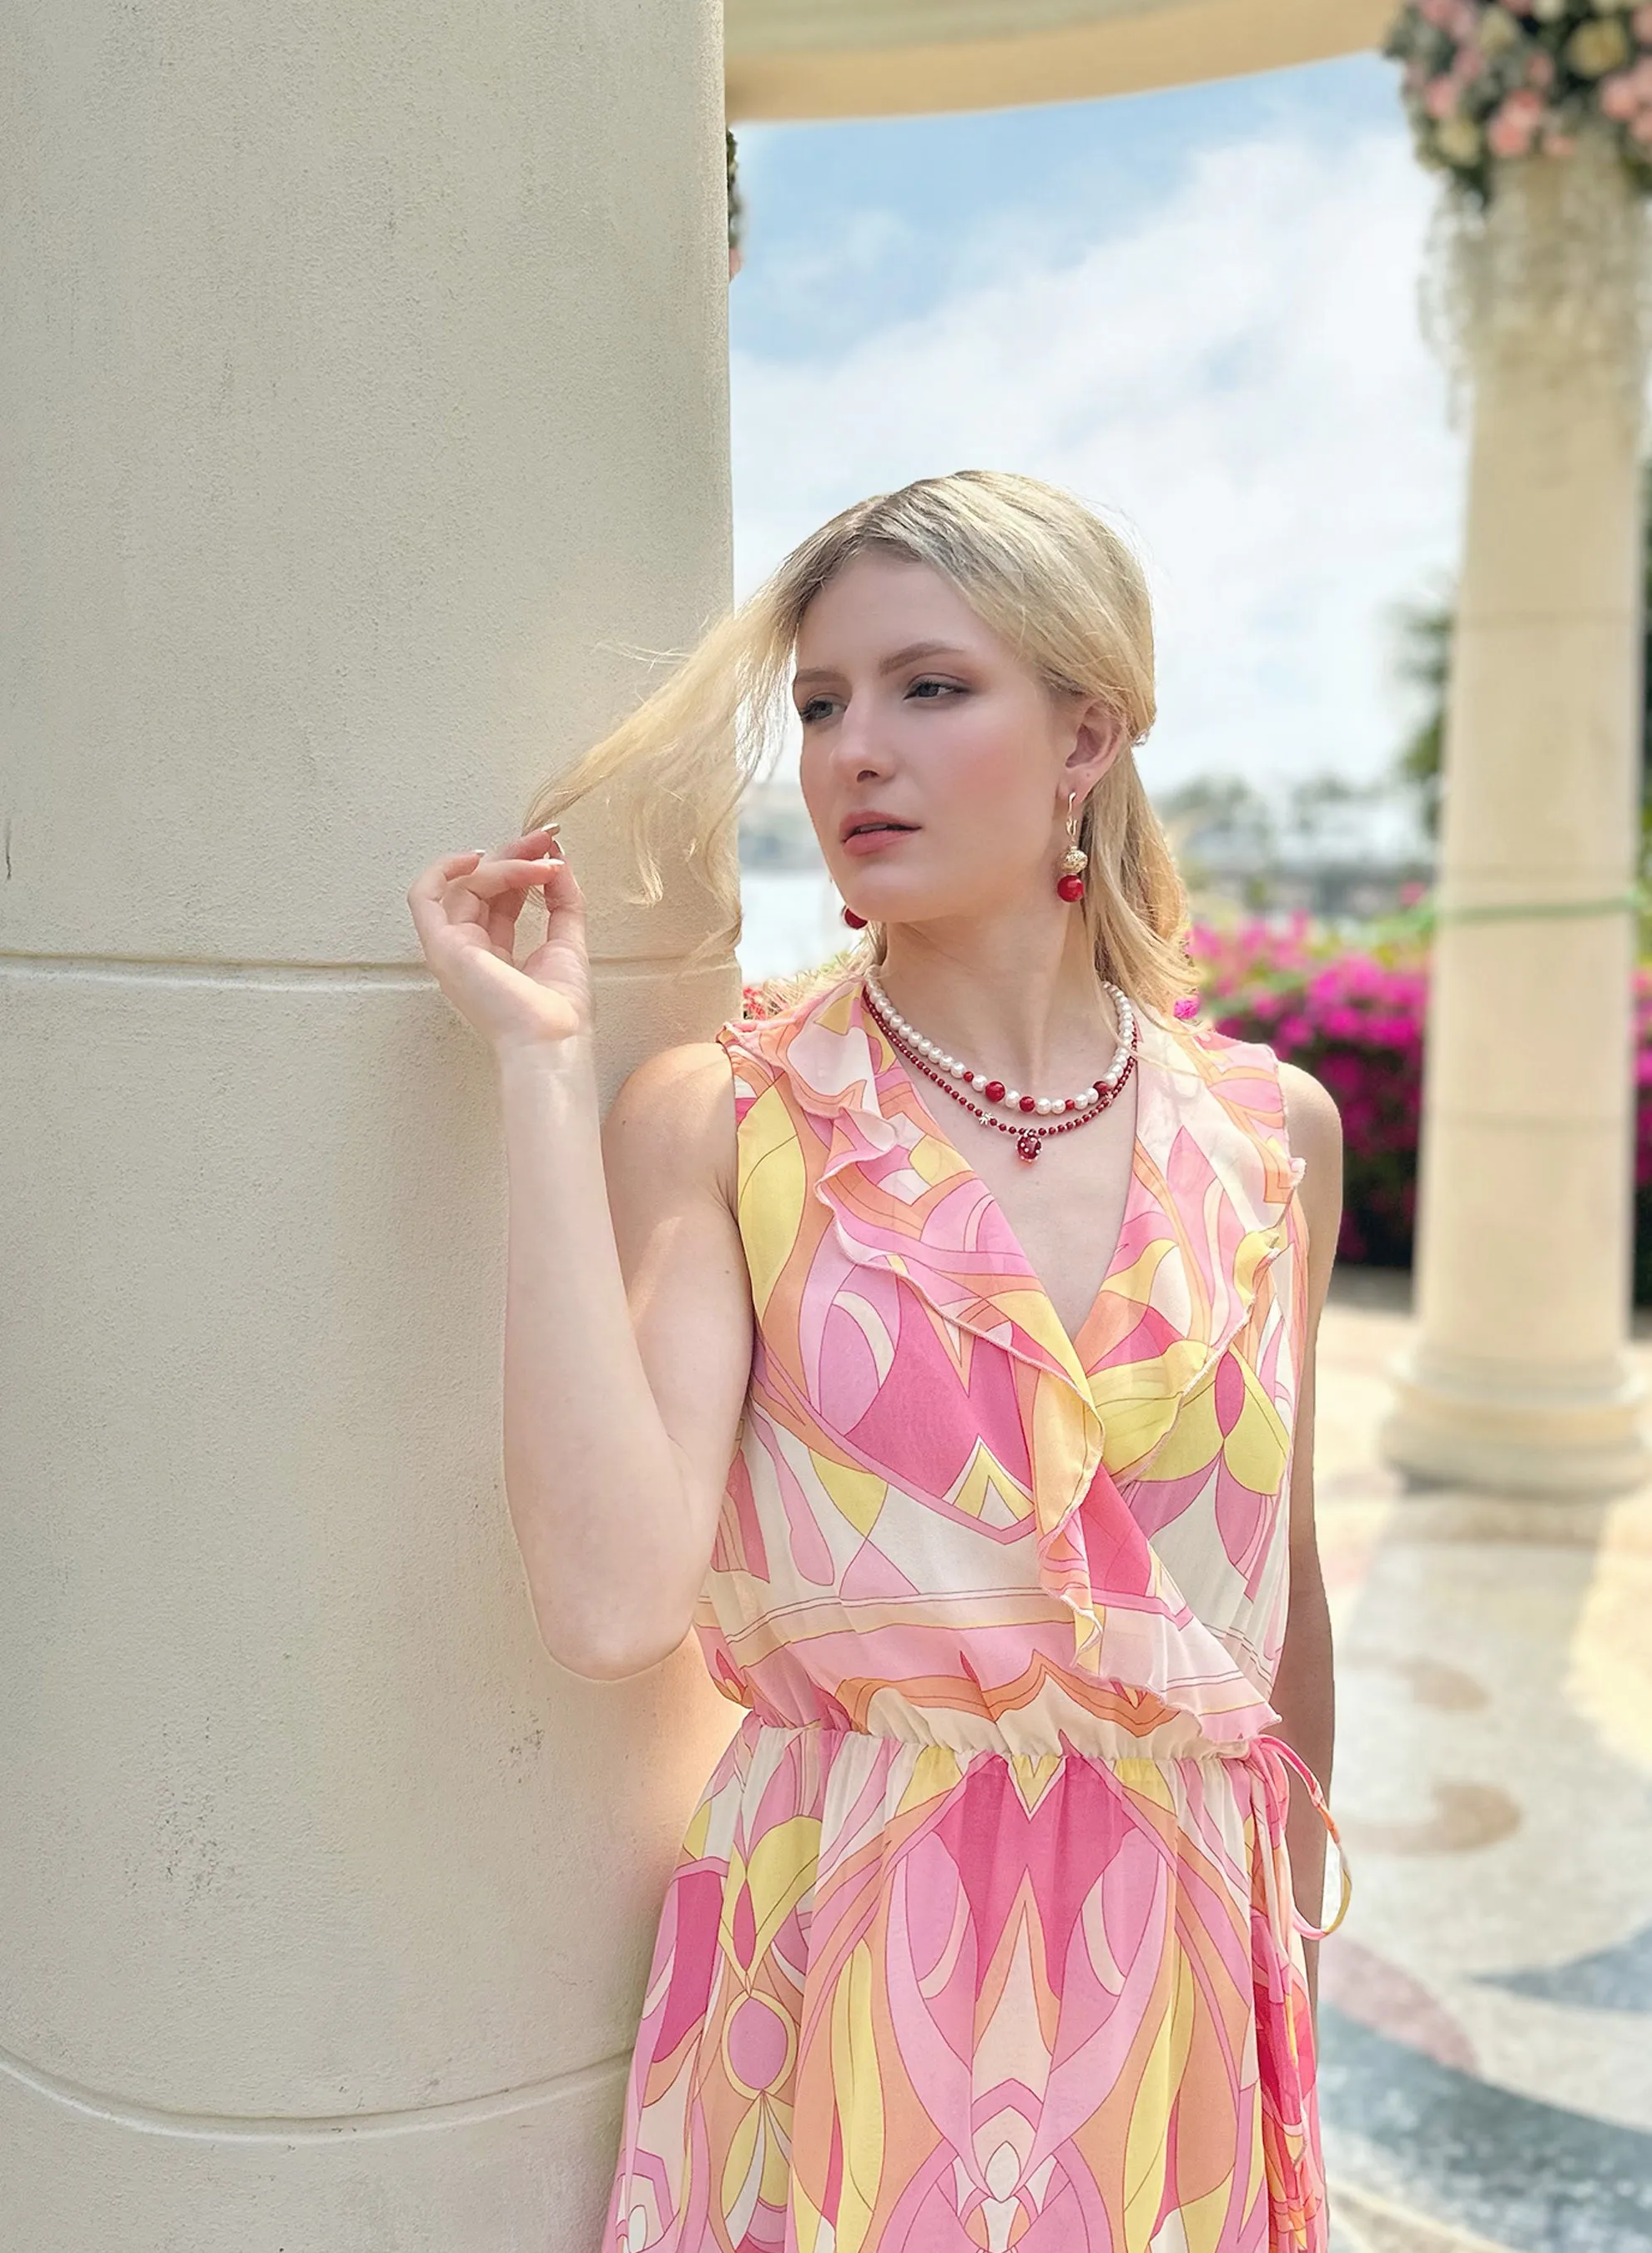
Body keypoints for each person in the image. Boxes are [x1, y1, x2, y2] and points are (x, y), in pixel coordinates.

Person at [406, 470, 1350, 2253]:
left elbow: (1278, 1604)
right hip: (848, 1975)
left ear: (1087, 735)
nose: (854, 752)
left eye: (930, 688)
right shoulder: (732, 1117)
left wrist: (1289, 1975)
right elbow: (614, 1604)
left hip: (1190, 1987)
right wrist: (541, 1068)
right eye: (825, 705)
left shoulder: (1270, 1135)